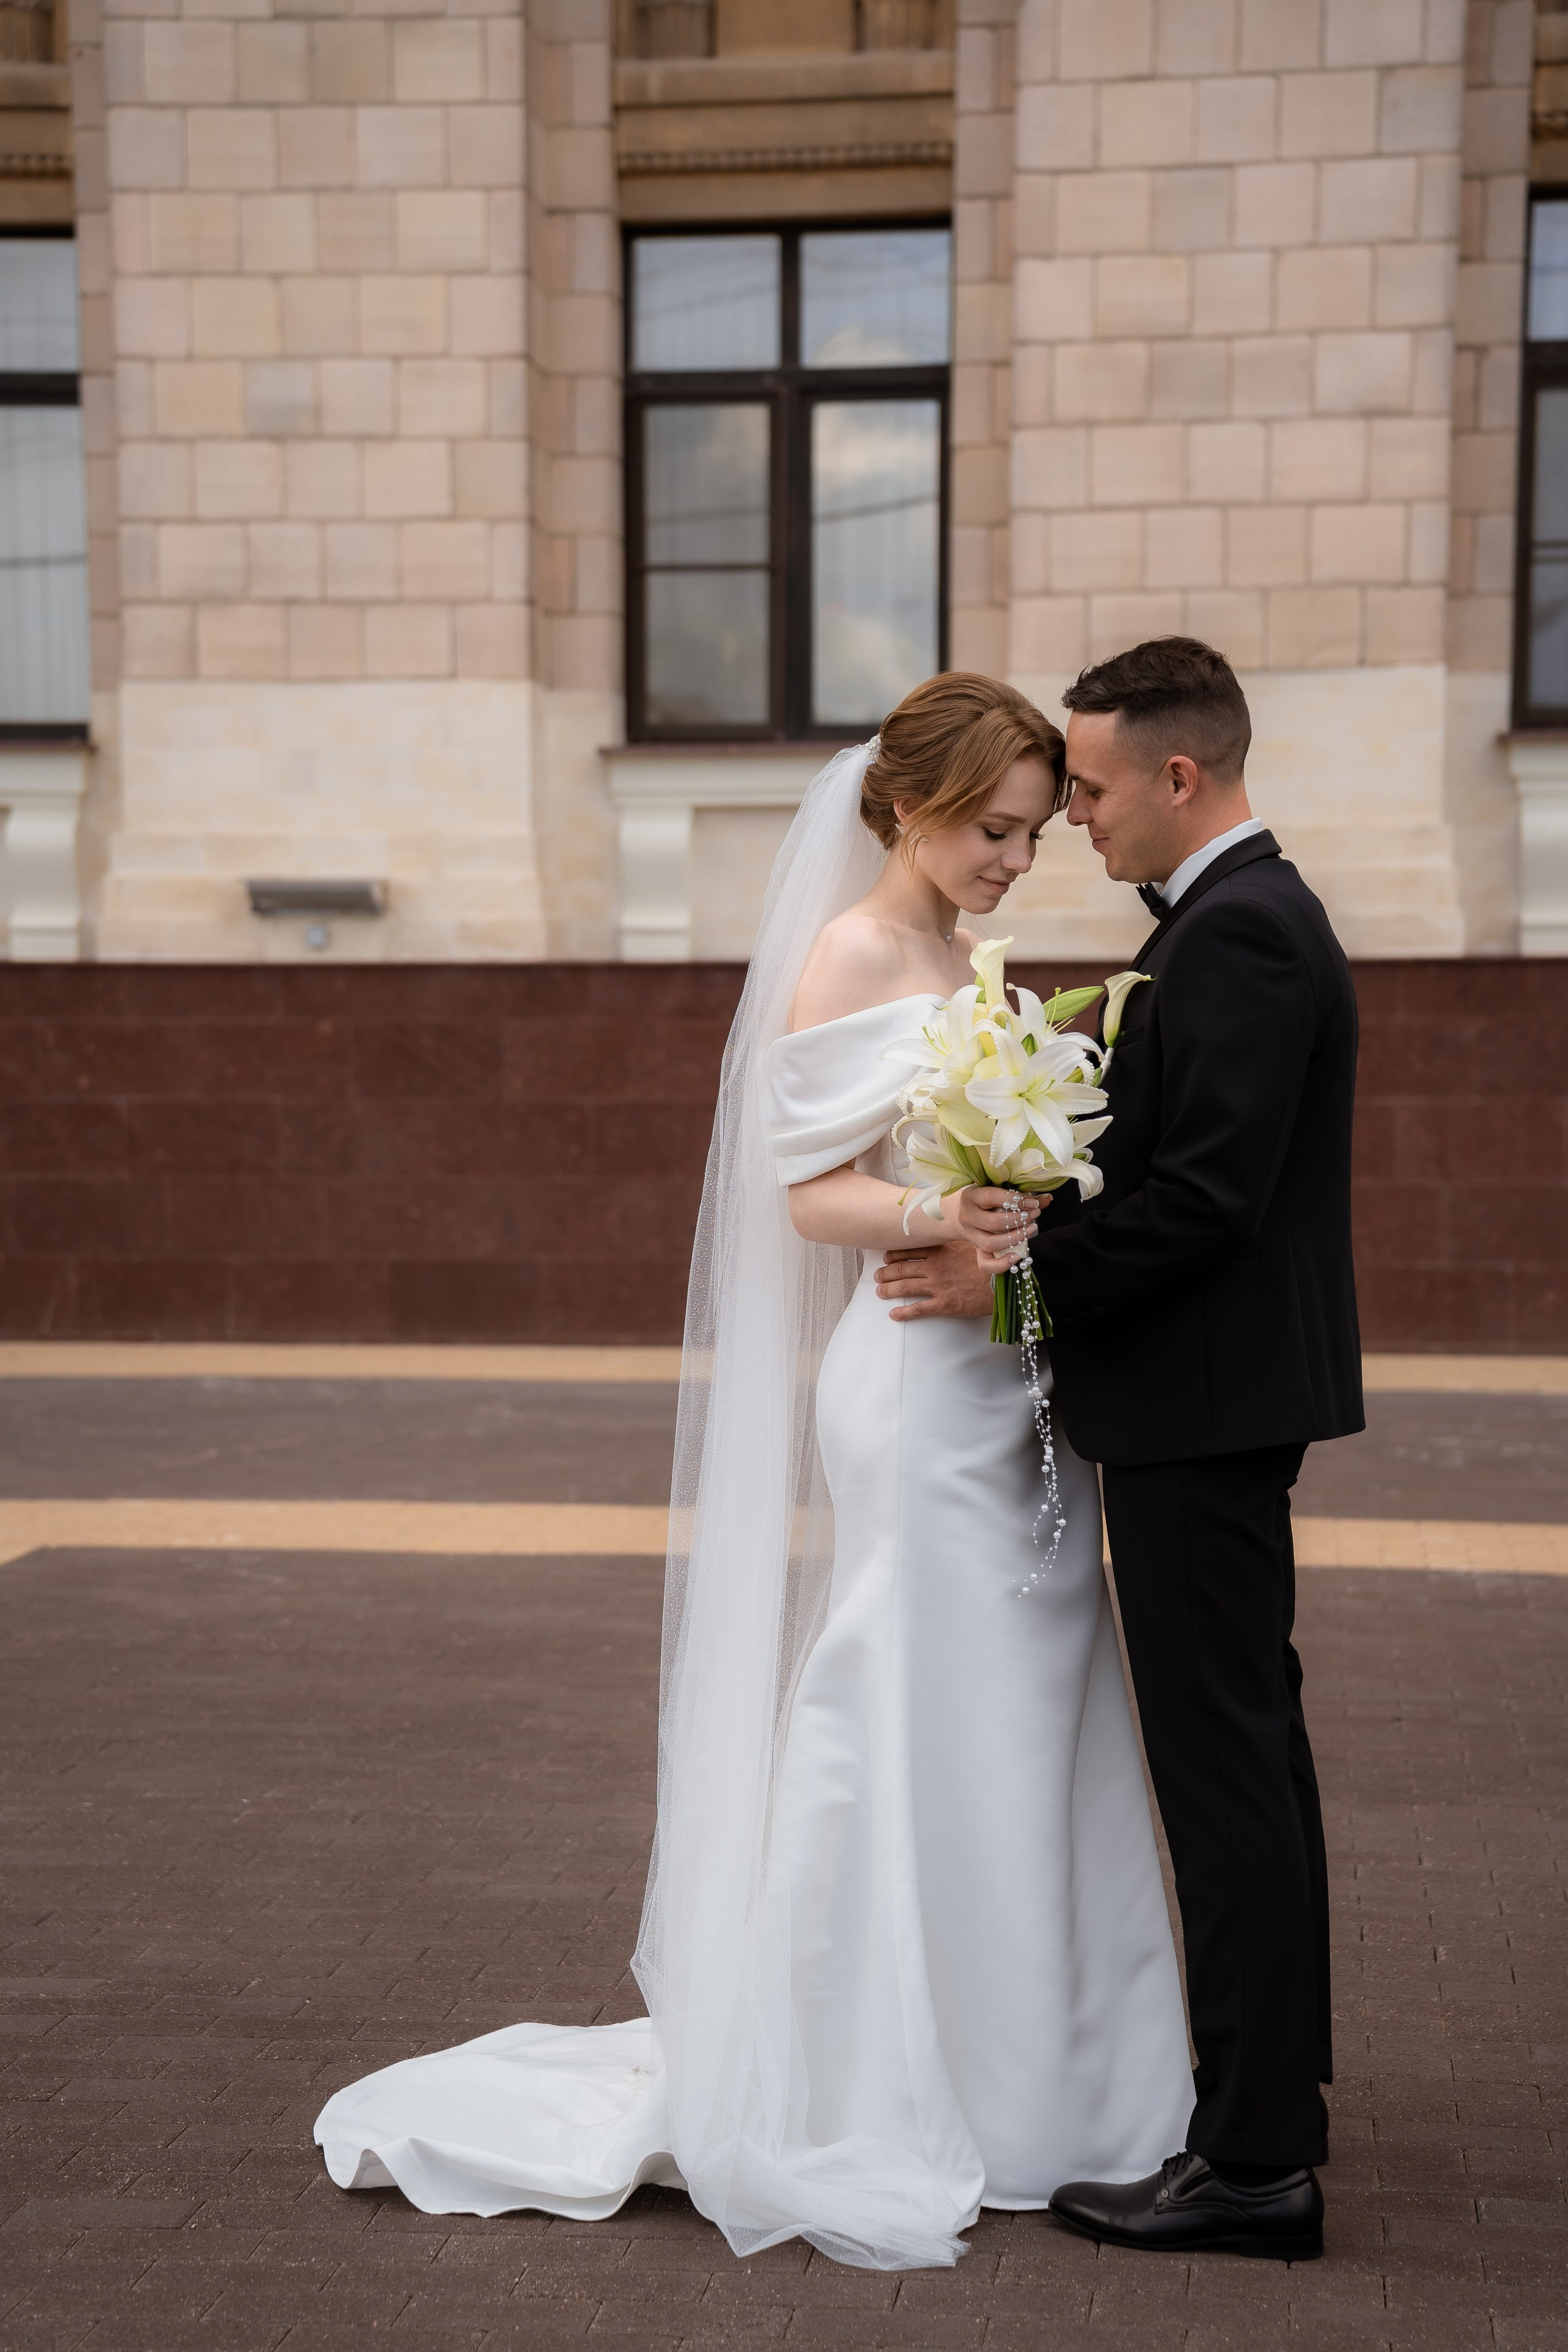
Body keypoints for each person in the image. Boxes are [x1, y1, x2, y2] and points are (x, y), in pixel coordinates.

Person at [313, 671, 1194, 2271]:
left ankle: (1059, 2086)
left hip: (1010, 1386)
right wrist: (950, 1218)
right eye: (994, 830)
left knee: (1032, 1708)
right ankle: (893, 2073)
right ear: (907, 810)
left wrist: (1024, 1213)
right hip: (919, 1393)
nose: (1019, 858)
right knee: (926, 1704)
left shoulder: (963, 956)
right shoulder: (855, 952)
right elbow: (813, 1198)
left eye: (1032, 830)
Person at [885, 637, 1362, 2263]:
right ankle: (1265, 2105)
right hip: (1205, 1409)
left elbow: (1206, 1207)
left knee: (1224, 1774)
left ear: (1181, 775)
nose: (1072, 818)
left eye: (1087, 788)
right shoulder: (1234, 930)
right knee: (1246, 1765)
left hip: (1203, 1411)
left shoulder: (1248, 941)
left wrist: (1007, 1278)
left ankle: (1251, 2166)